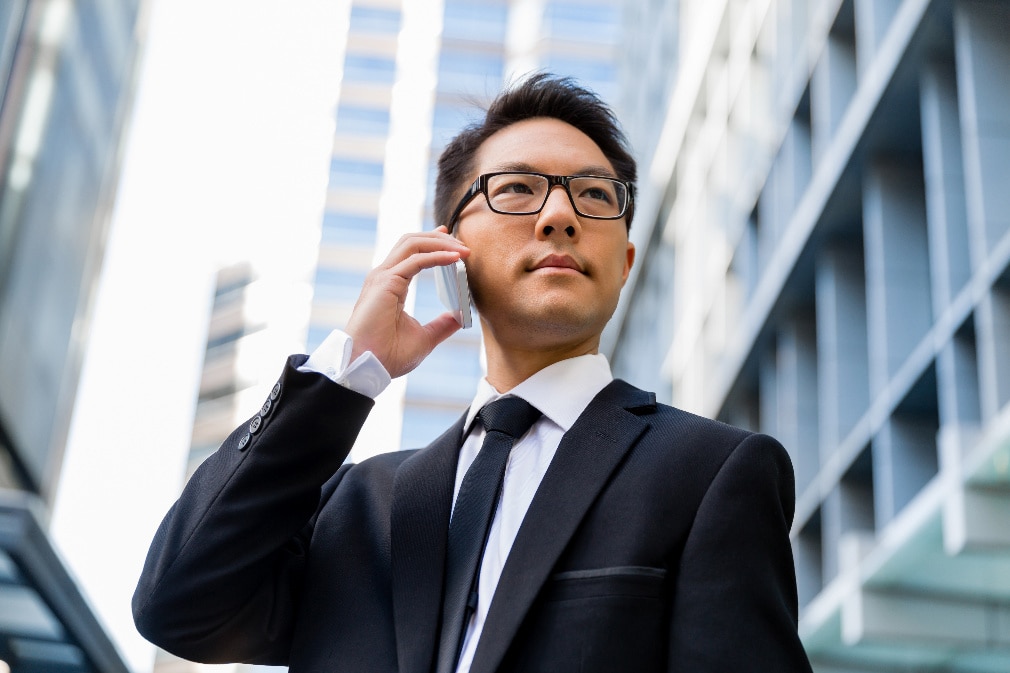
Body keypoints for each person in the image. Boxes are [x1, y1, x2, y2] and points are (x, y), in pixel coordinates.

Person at [133, 73, 813, 673]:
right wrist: (347, 372)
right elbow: (179, 605)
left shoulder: (709, 473)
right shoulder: (358, 507)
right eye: (518, 189)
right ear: (449, 253)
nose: (559, 217)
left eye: (593, 195)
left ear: (627, 262)